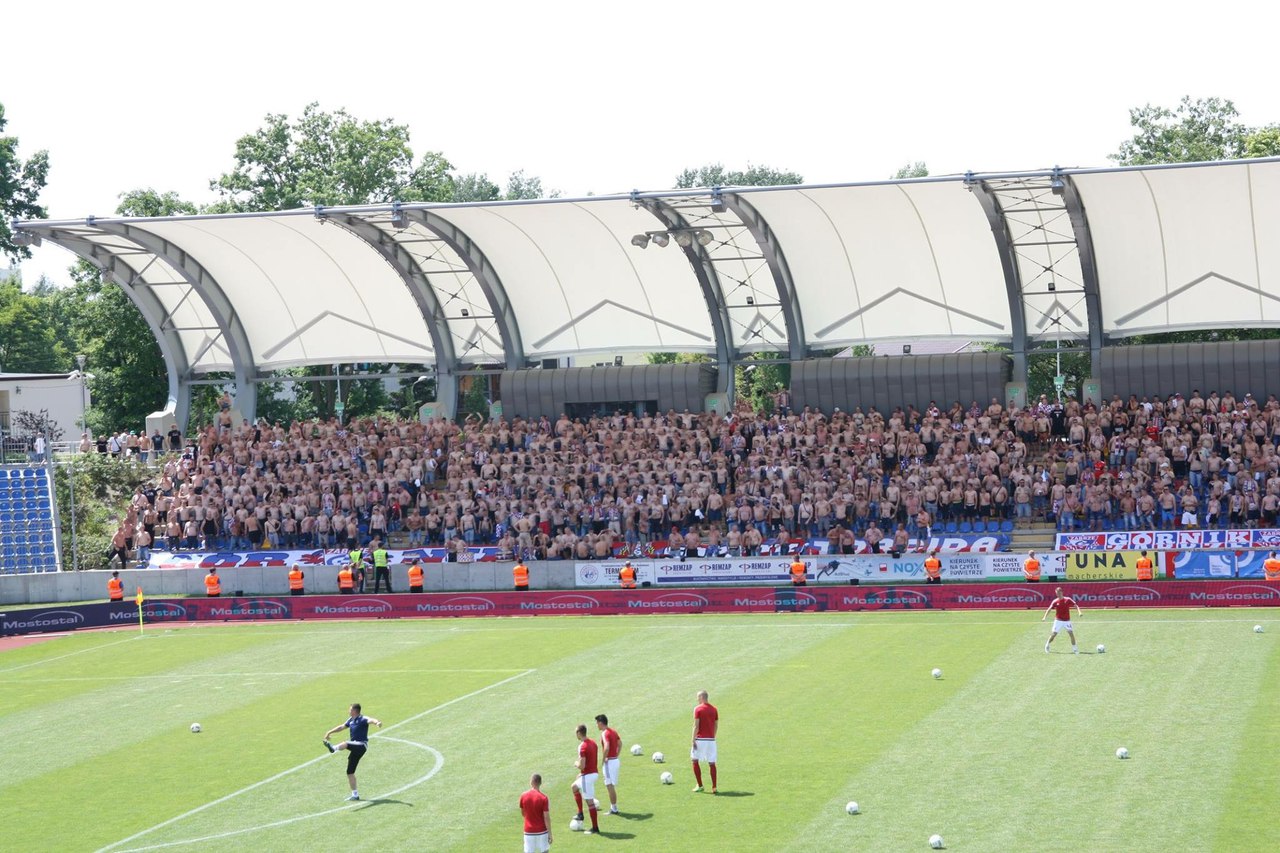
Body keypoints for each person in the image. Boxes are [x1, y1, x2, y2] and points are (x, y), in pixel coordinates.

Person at [323, 702, 383, 801]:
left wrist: (377, 722)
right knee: (350, 772)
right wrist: (329, 732)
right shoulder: (351, 720)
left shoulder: (362, 719)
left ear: (355, 711)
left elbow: (371, 720)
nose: (348, 711)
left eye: (350, 709)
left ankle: (333, 748)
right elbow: (341, 727)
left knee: (346, 743)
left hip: (361, 745)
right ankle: (355, 795)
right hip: (355, 747)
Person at [571, 723, 600, 834]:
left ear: (579, 733)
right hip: (592, 773)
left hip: (587, 776)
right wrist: (581, 773)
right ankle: (580, 813)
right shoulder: (593, 743)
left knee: (590, 802)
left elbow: (582, 765)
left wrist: (576, 764)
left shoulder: (582, 746)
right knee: (574, 787)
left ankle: (595, 828)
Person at [691, 689, 719, 794]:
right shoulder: (714, 709)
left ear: (702, 697)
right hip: (711, 740)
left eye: (698, 697)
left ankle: (700, 785)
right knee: (712, 763)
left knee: (694, 760)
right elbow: (716, 725)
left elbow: (696, 725)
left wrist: (693, 739)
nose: (697, 699)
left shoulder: (698, 709)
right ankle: (714, 787)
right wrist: (712, 736)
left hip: (700, 739)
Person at [1042, 586, 1082, 654]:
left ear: (1062, 592)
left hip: (1067, 621)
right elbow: (1049, 609)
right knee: (1054, 634)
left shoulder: (1068, 599)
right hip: (1058, 621)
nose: (1058, 594)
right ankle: (1047, 644)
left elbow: (1076, 606)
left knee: (1071, 634)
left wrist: (1079, 612)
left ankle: (1075, 649)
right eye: (1057, 593)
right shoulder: (1055, 601)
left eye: (1059, 592)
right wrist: (1044, 617)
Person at [519, 773, 552, 853]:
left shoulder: (523, 796)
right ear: (540, 783)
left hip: (528, 831)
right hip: (542, 831)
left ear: (531, 782)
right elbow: (546, 817)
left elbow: (523, 813)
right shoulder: (544, 798)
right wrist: (550, 833)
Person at [596, 714, 622, 815]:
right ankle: (614, 807)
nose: (597, 725)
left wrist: (603, 759)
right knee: (611, 785)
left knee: (609, 785)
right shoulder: (613, 731)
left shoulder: (605, 733)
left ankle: (614, 809)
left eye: (597, 723)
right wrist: (616, 755)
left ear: (601, 723)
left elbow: (606, 747)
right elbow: (620, 744)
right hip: (615, 760)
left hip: (609, 762)